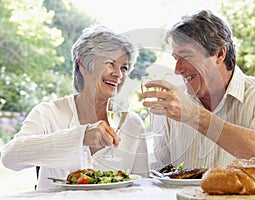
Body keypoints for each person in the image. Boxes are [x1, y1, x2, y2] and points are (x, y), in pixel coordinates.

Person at [141, 10, 255, 170]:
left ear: (220, 54)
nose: (177, 69)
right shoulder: (173, 104)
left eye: (186, 57)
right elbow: (159, 175)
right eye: (176, 59)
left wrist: (194, 115)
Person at [1, 24, 148, 190]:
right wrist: (80, 137)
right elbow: (10, 157)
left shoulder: (132, 124)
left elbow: (143, 186)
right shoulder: (48, 113)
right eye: (110, 63)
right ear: (83, 65)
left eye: (124, 67)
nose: (118, 74)